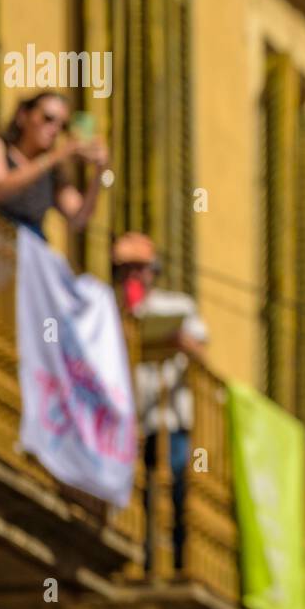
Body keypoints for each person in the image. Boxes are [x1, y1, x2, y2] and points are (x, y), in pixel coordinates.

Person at [0, 92, 109, 442]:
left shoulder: (55, 172)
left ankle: (15, 435)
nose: (55, 129)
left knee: (28, 349)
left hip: (28, 267)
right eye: (48, 118)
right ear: (24, 116)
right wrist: (58, 156)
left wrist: (99, 173)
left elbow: (78, 217)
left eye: (62, 124)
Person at [112, 231, 208, 573]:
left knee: (178, 486)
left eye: (141, 268)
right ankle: (145, 559)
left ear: (155, 270)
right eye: (126, 269)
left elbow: (202, 352)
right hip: (132, 421)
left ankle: (179, 561)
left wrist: (177, 340)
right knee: (142, 491)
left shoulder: (177, 306)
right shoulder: (111, 313)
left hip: (169, 417)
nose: (135, 276)